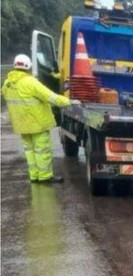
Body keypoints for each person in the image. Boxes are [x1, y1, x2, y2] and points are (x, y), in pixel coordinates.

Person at [1, 54, 74, 183]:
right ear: (29, 66)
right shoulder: (30, 82)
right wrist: (70, 102)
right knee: (42, 151)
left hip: (22, 124)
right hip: (37, 123)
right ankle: (45, 176)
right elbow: (51, 97)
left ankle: (34, 176)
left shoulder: (7, 83)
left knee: (29, 151)